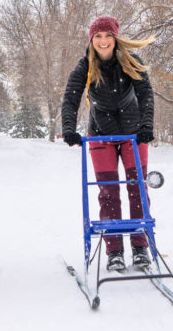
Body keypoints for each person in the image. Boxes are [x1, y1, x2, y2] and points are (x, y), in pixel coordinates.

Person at [60, 16, 155, 272]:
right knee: (109, 192)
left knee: (138, 190)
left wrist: (147, 126)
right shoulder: (85, 67)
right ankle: (114, 251)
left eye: (108, 36)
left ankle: (139, 247)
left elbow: (146, 94)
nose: (103, 41)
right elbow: (70, 99)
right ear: (92, 40)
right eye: (98, 37)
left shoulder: (131, 61)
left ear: (116, 38)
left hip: (133, 134)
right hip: (101, 134)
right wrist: (68, 129)